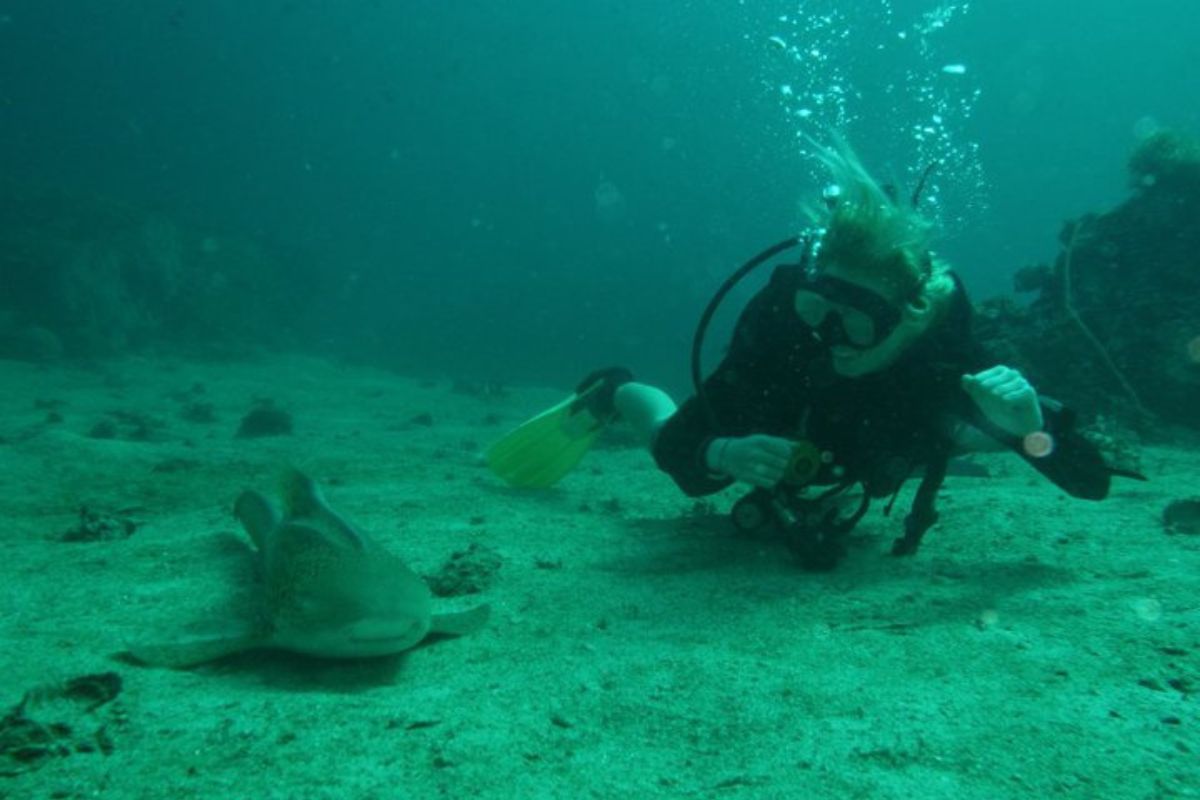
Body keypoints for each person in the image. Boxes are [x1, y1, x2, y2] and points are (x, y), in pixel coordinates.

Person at [488, 141, 1123, 569]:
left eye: (856, 319)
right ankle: (615, 390)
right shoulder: (782, 327)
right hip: (774, 432)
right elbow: (685, 446)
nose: (828, 335)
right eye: (818, 307)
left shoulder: (942, 353)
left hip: (883, 442)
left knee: (978, 431)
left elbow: (1089, 483)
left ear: (906, 318)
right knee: (676, 451)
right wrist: (722, 451)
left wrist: (1030, 432)